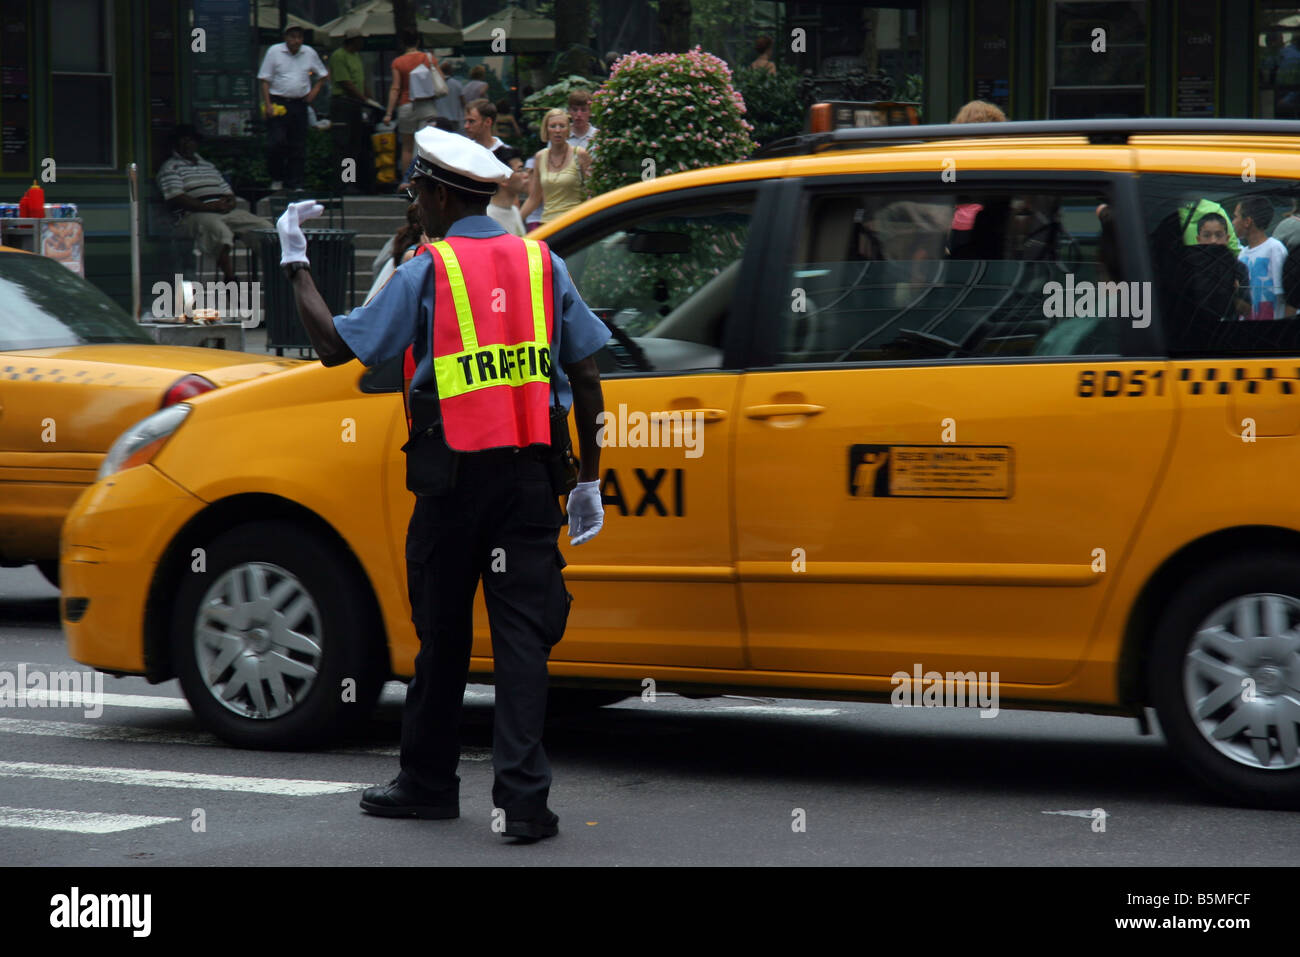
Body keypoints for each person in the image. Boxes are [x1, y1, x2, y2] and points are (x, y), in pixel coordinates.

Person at [275, 126, 609, 843]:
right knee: (523, 641)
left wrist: (295, 260)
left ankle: (427, 784)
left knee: (443, 638)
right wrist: (592, 478)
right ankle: (524, 803)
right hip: (530, 480)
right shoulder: (543, 262)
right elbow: (584, 373)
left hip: (452, 481)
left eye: (416, 194)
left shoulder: (429, 270)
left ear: (434, 192)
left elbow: (335, 346)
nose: (413, 207)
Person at [157, 124, 273, 283]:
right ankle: (230, 277)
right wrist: (208, 207)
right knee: (219, 230)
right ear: (176, 144)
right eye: (182, 141)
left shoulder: (208, 166)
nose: (187, 144)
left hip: (222, 210)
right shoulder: (170, 167)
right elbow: (176, 197)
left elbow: (227, 191)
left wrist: (228, 203)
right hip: (193, 215)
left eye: (190, 141)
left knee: (264, 227)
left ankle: (276, 274)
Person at [258, 25, 328, 191]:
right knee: (277, 142)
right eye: (292, 37)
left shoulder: (309, 52)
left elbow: (323, 75)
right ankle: (277, 177)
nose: (296, 41)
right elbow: (264, 80)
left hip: (299, 103)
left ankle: (295, 182)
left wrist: (314, 92)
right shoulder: (274, 51)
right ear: (285, 37)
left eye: (299, 37)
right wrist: (268, 104)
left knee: (298, 145)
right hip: (278, 102)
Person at [383, 30, 441, 187]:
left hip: (406, 105)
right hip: (427, 105)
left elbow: (395, 88)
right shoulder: (428, 59)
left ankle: (406, 180)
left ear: (403, 43)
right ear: (418, 41)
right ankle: (423, 180)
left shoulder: (398, 62)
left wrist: (389, 113)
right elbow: (440, 80)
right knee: (426, 145)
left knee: (407, 147)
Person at [521, 108, 592, 226]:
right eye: (553, 126)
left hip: (574, 223)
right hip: (548, 224)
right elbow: (534, 198)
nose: (557, 130)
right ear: (546, 130)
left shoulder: (580, 154)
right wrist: (514, 222)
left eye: (562, 126)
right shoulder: (540, 157)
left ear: (568, 130)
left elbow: (592, 192)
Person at [330, 28, 377, 194]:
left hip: (356, 104)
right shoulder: (339, 56)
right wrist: (364, 99)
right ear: (352, 40)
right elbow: (345, 82)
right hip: (344, 103)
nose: (362, 43)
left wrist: (371, 101)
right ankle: (344, 183)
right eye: (360, 40)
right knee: (345, 145)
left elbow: (360, 82)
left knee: (356, 145)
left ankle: (356, 181)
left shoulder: (356, 56)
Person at [1233, 197, 1289, 319]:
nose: (1233, 222)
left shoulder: (1274, 248)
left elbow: (1284, 292)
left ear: (1247, 222)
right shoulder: (1243, 254)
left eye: (1236, 217)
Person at [487, 147, 527, 237]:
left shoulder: (514, 211)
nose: (525, 175)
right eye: (520, 170)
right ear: (503, 179)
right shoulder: (489, 217)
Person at [435, 60, 465, 128]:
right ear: (450, 71)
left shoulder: (436, 85)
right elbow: (463, 102)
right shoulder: (457, 84)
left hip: (439, 119)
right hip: (453, 119)